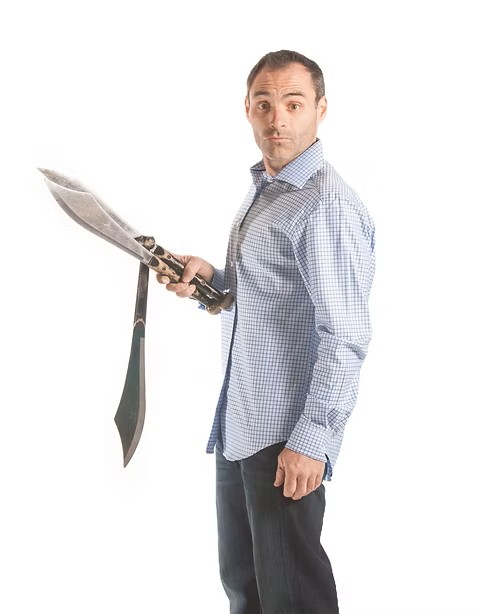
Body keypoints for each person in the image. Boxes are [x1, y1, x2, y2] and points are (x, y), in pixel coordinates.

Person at [157, 50, 375, 614]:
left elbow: (345, 335)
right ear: (247, 110)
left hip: (286, 439)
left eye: (294, 103)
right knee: (246, 589)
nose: (277, 119)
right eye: (264, 104)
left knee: (292, 599)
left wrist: (312, 439)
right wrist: (212, 280)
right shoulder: (269, 189)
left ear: (321, 109)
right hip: (242, 425)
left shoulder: (323, 204)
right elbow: (268, 293)